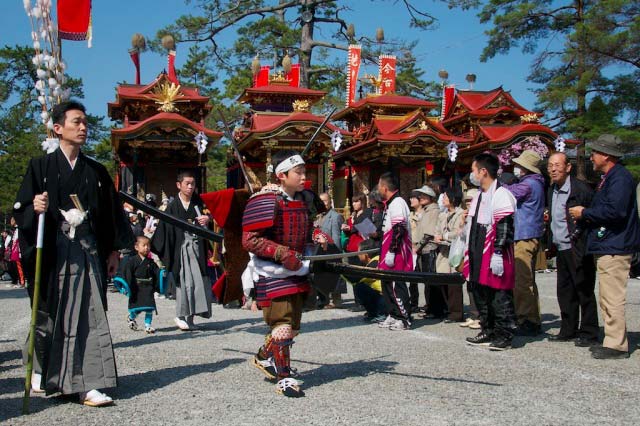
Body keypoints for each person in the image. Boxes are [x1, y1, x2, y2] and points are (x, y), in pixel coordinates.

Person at [13, 100, 134, 406]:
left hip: (87, 252)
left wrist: (114, 252)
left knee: (89, 316)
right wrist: (33, 209)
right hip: (55, 254)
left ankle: (87, 381)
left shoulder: (95, 171)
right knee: (49, 317)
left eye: (85, 123)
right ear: (57, 128)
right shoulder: (40, 168)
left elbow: (111, 215)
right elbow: (18, 211)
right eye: (76, 122)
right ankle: (48, 373)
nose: (83, 127)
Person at [242, 149, 313, 398]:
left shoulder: (302, 199)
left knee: (292, 329)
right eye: (299, 172)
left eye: (304, 171)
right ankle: (284, 378)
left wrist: (317, 238)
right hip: (272, 272)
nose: (304, 176)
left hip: (297, 270)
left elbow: (301, 233)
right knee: (281, 326)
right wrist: (282, 253)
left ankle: (264, 357)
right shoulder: (265, 199)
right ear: (282, 175)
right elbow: (250, 240)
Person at [569, 134, 640, 359]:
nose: (592, 157)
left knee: (612, 295)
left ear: (606, 155)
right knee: (607, 295)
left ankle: (617, 344)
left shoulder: (619, 178)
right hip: (609, 242)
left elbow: (616, 211)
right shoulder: (611, 177)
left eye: (596, 152)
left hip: (615, 244)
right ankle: (612, 338)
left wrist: (585, 212)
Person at [463, 153, 517, 351]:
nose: (472, 174)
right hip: (477, 248)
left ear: (483, 171)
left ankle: (505, 334)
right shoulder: (479, 196)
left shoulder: (502, 194)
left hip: (494, 249)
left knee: (499, 293)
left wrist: (498, 252)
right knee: (480, 291)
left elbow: (504, 226)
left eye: (473, 170)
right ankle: (488, 329)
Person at [545, 153, 598, 346]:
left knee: (584, 289)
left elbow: (592, 216)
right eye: (550, 165)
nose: (553, 169)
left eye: (557, 165)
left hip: (578, 246)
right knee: (565, 290)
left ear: (568, 168)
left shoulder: (581, 189)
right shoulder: (552, 189)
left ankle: (589, 332)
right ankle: (568, 329)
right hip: (560, 246)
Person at [152, 170, 213, 331]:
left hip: (197, 246)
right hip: (180, 248)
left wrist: (208, 219)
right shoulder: (172, 206)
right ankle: (180, 315)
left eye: (193, 184)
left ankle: (191, 317)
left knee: (198, 282)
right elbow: (164, 229)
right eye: (187, 183)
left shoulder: (199, 202)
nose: (190, 187)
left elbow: (213, 219)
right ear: (179, 185)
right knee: (184, 283)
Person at [503, 150, 546, 336]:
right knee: (528, 280)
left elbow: (508, 194)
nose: (516, 169)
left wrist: (497, 183)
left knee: (522, 281)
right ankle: (532, 317)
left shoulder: (528, 184)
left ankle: (526, 318)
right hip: (531, 234)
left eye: (519, 166)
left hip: (524, 235)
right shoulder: (536, 183)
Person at [377, 172, 414, 330]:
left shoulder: (398, 202)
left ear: (384, 188)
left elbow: (399, 228)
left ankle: (404, 318)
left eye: (379, 185)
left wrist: (392, 251)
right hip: (388, 246)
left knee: (395, 283)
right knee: (386, 282)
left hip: (397, 249)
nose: (378, 189)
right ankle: (392, 314)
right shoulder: (390, 203)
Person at [434, 187, 466, 322]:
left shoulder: (460, 214)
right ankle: (447, 309)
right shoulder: (443, 214)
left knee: (454, 284)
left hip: (455, 251)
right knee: (443, 280)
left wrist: (444, 235)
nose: (444, 199)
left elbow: (458, 232)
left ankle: (456, 313)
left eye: (446, 197)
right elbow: (437, 229)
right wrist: (437, 236)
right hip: (443, 251)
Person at [411, 185, 441, 318]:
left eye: (424, 195)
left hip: (429, 247)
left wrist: (417, 247)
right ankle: (431, 307)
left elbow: (428, 233)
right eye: (420, 195)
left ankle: (434, 309)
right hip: (424, 248)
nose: (420, 197)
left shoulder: (433, 211)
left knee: (430, 280)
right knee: (427, 281)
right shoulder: (426, 210)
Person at [122, 235, 160, 334]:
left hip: (148, 287)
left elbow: (156, 273)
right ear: (136, 247)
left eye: (148, 245)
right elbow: (127, 274)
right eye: (144, 245)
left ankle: (148, 325)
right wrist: (127, 286)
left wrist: (161, 273)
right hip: (136, 287)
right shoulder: (132, 261)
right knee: (137, 308)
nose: (147, 248)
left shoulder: (151, 262)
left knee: (149, 307)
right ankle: (131, 317)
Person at [314, 192, 345, 309]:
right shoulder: (319, 216)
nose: (323, 204)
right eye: (320, 201)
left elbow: (336, 237)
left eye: (325, 201)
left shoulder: (335, 216)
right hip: (321, 251)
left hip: (332, 250)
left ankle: (337, 299)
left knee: (334, 275)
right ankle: (324, 299)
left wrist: (335, 252)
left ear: (330, 201)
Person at [353, 239, 386, 323]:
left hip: (385, 298)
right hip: (385, 297)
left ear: (365, 254)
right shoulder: (377, 259)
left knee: (360, 287)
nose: (358, 255)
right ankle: (376, 312)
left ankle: (380, 313)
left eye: (359, 253)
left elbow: (360, 279)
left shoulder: (374, 263)